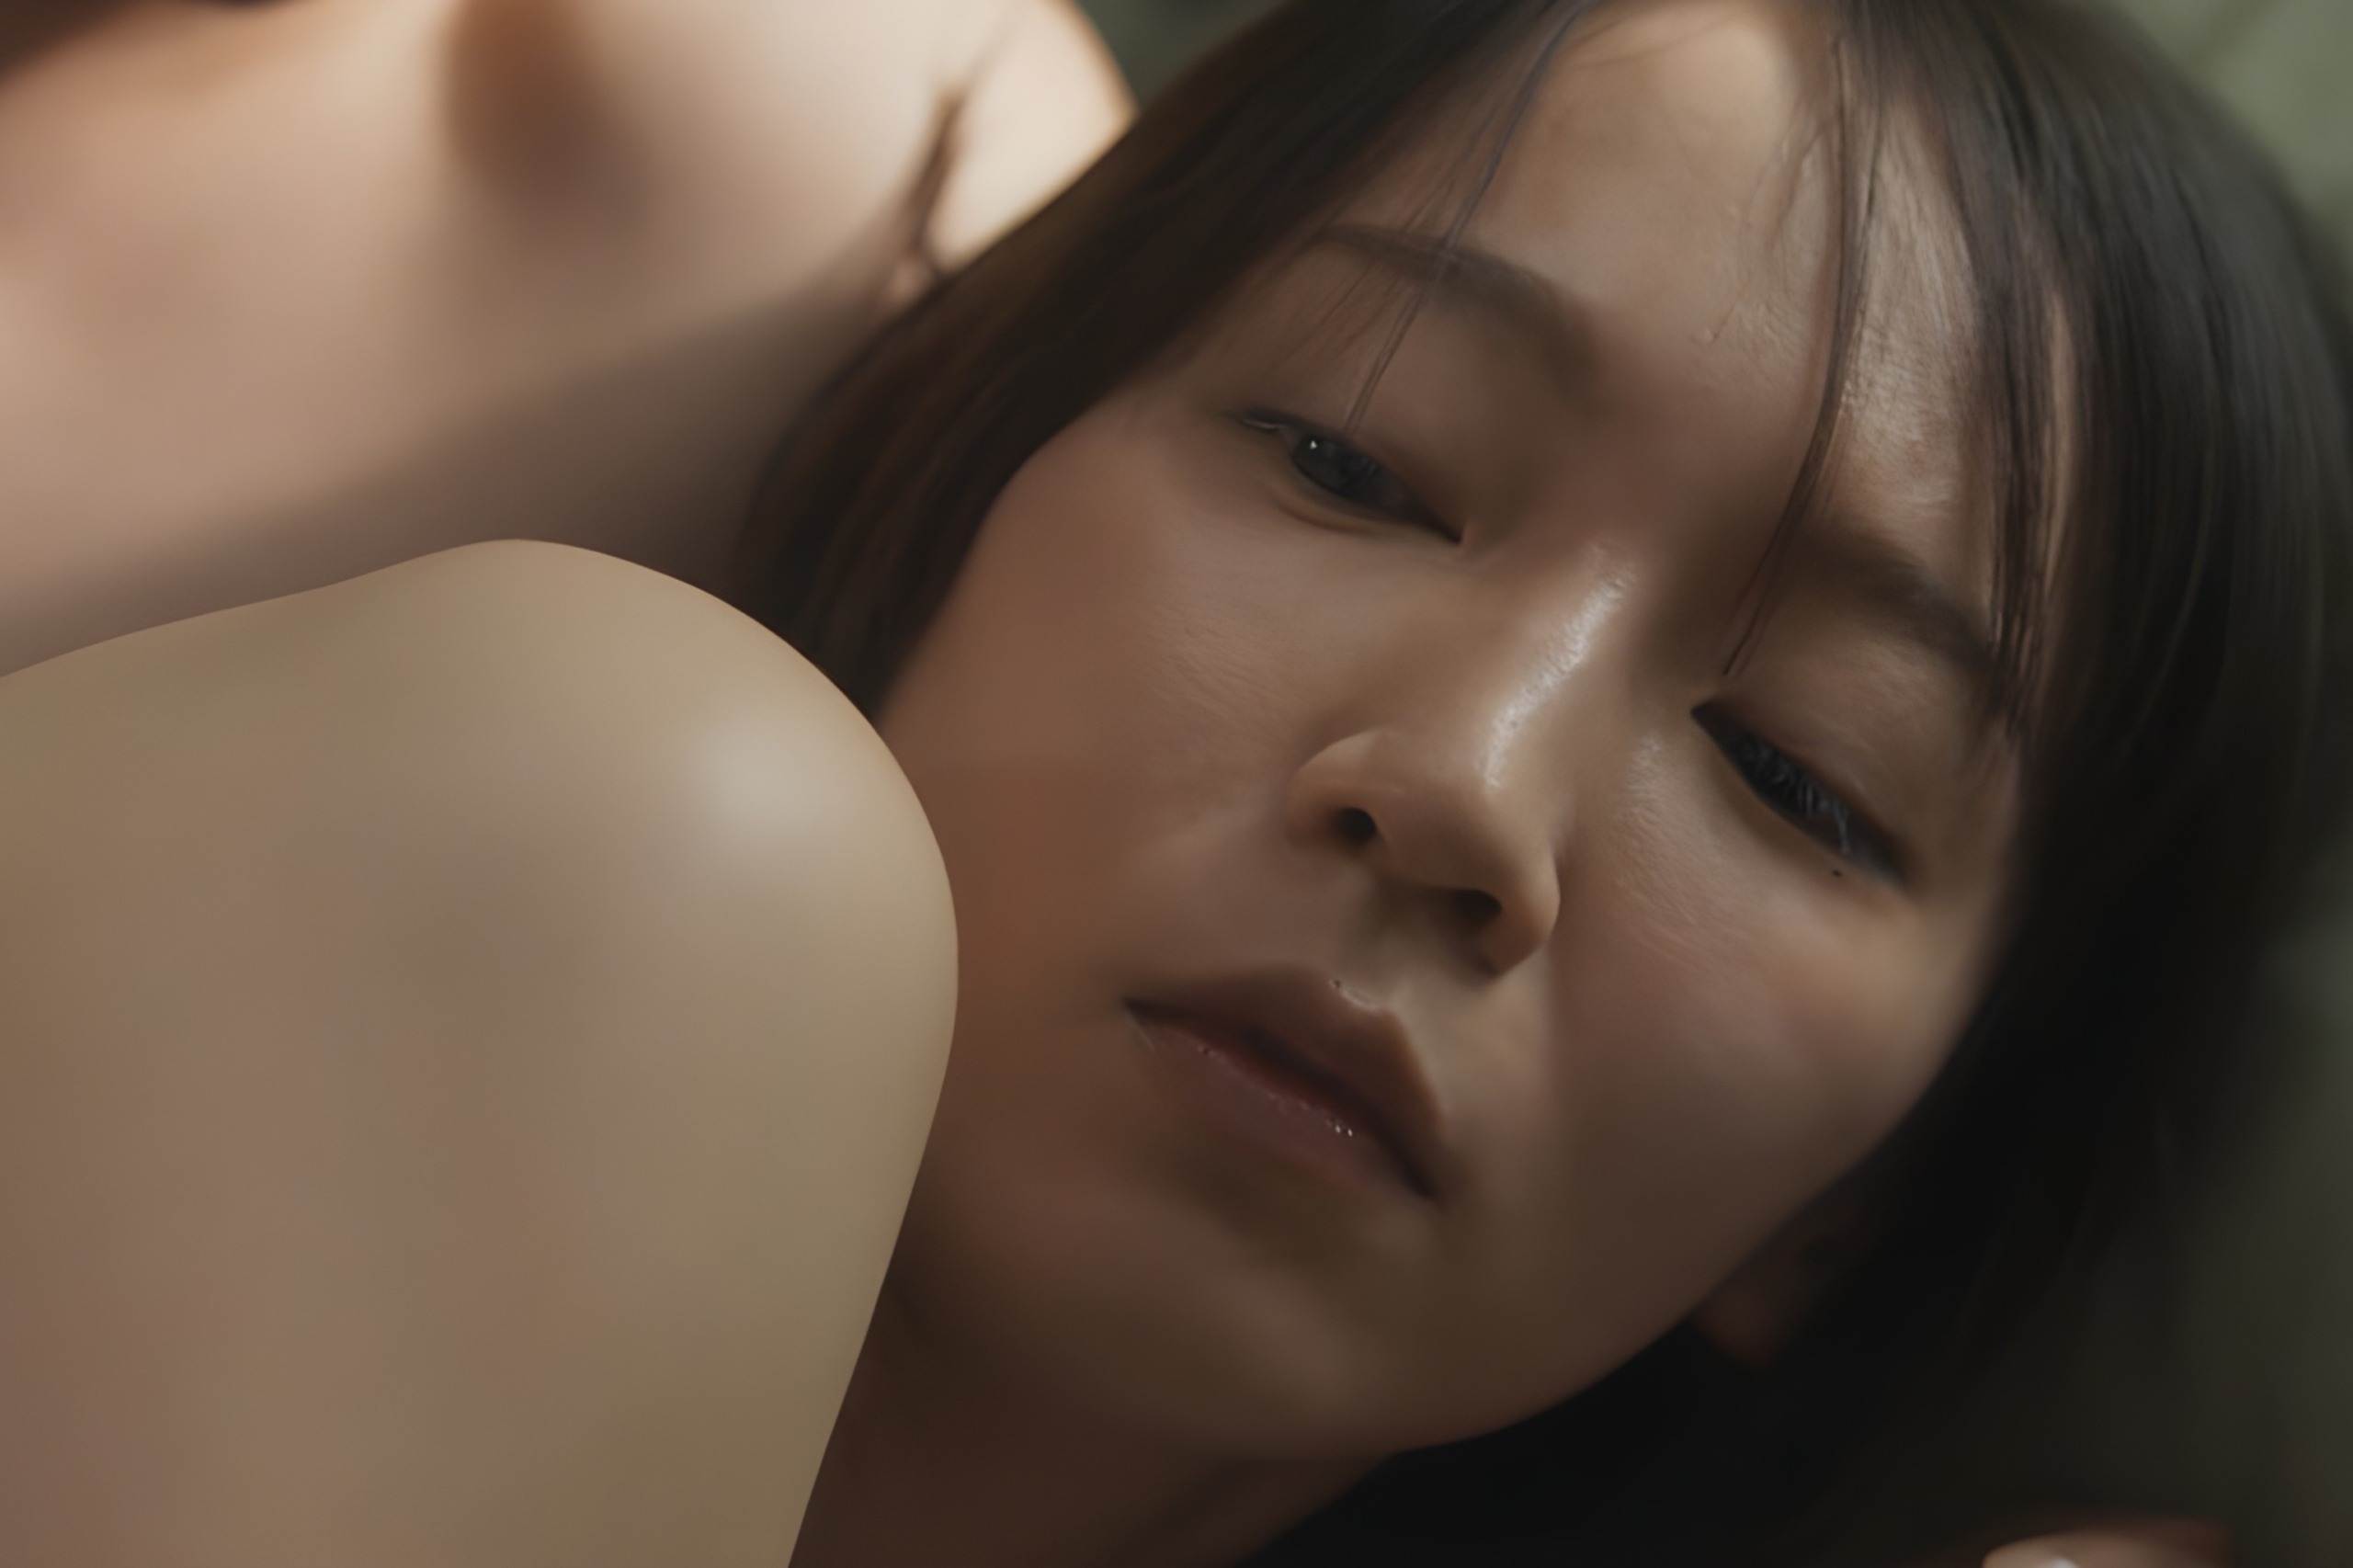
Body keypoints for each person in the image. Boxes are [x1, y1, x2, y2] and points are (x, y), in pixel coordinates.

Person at [0, 1, 2347, 1565]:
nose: (1460, 785)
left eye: (1799, 777)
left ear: (1853, 1201)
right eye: (1351, 459)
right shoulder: (567, 786)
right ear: (959, 479)